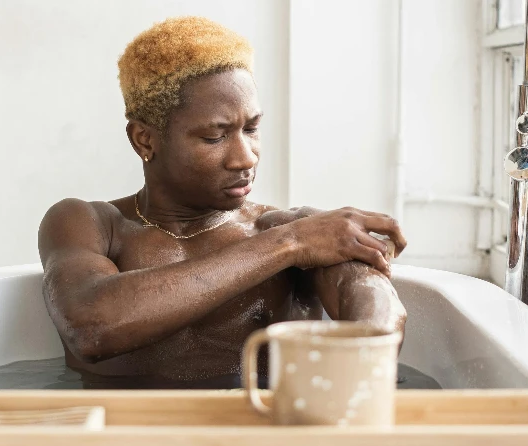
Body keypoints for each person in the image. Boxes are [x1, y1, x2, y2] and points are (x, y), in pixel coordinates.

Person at [38, 17, 407, 389]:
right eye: (216, 136)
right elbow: (91, 326)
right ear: (144, 140)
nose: (245, 158)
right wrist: (288, 245)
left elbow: (378, 312)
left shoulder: (283, 226)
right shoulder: (90, 223)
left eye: (251, 129)